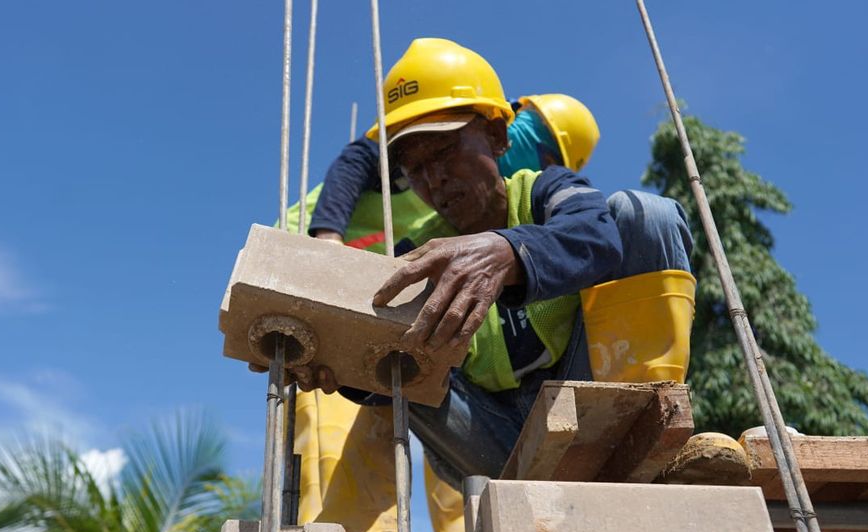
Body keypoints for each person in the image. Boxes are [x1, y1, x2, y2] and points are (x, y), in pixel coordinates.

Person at [292, 37, 695, 492]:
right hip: (497, 448)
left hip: (589, 406)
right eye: (415, 169)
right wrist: (335, 360)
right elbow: (387, 369)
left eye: (443, 151)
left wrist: (507, 251)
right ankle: (521, 490)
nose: (434, 179)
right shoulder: (421, 255)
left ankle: (642, 427)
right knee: (392, 346)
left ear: (497, 137)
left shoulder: (544, 191)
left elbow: (597, 236)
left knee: (646, 215)